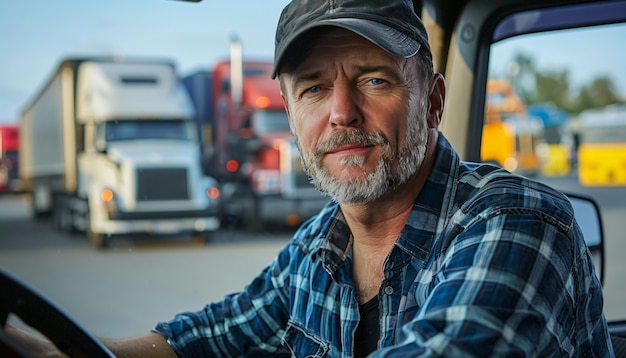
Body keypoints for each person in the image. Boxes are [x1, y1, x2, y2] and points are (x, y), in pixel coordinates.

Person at [7, 0, 614, 356]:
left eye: (374, 79)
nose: (341, 112)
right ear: (293, 116)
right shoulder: (321, 246)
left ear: (431, 101)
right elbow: (212, 338)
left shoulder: (519, 222)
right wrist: (52, 349)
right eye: (314, 88)